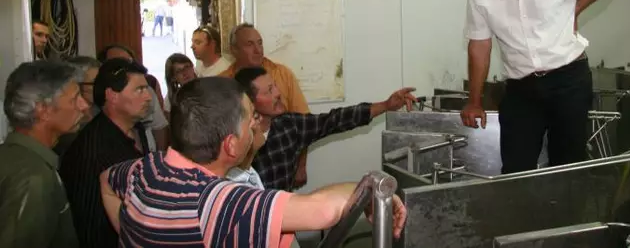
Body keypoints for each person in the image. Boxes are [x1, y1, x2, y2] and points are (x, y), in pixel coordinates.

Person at [99, 77, 407, 247]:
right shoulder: (216, 202)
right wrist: (375, 188)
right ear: (231, 145)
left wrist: (127, 233)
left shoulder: (145, 168)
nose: (256, 128)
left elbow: (106, 180)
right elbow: (323, 210)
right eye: (249, 123)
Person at [460, 0, 623, 174]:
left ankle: (567, 217)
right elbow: (479, 44)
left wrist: (576, 8)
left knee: (567, 168)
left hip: (568, 81)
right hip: (521, 89)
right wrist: (474, 101)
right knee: (515, 169)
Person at [236, 66, 416, 191]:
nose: (278, 93)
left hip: (283, 219)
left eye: (274, 85)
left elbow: (335, 120)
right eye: (269, 91)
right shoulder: (234, 139)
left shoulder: (289, 126)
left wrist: (386, 105)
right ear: (250, 102)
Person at [59, 58, 154, 248]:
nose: (148, 97)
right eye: (139, 90)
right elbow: (89, 225)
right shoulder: (91, 150)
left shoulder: (138, 129)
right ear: (112, 95)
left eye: (146, 88)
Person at [0, 60, 89, 248]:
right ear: (43, 110)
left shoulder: (19, 157)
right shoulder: (33, 178)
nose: (84, 105)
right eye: (75, 98)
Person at [220, 23, 312, 187]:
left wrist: (301, 165)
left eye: (260, 43)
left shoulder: (282, 74)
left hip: (279, 166)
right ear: (234, 50)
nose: (258, 49)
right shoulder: (223, 82)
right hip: (237, 172)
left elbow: (304, 122)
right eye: (250, 44)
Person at [97, 44, 169, 150]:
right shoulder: (100, 141)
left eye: (129, 61)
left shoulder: (139, 128)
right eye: (119, 63)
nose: (148, 97)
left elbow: (159, 127)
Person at [54, 56, 101, 157]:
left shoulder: (102, 110)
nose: (101, 87)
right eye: (94, 83)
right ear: (75, 85)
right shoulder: (66, 122)